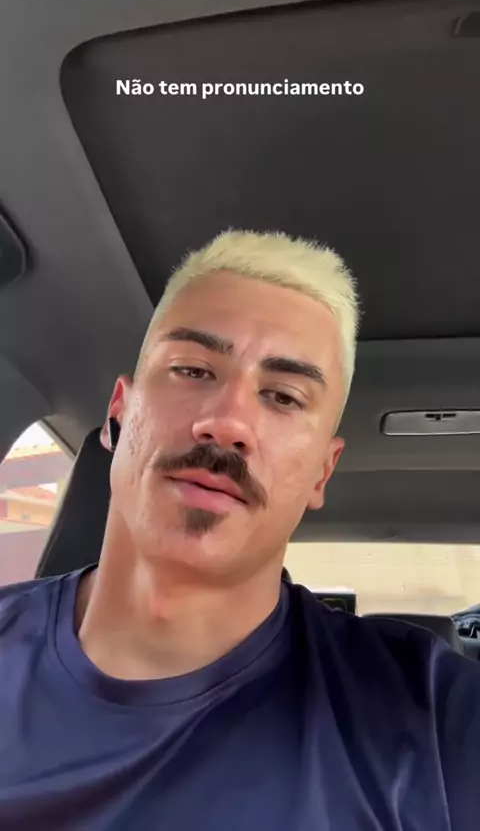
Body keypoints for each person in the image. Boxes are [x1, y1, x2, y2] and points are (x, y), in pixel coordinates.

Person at [0, 230, 479, 830]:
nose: (227, 423)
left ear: (321, 472)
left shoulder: (431, 718)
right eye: (193, 369)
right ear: (119, 413)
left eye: (283, 396)